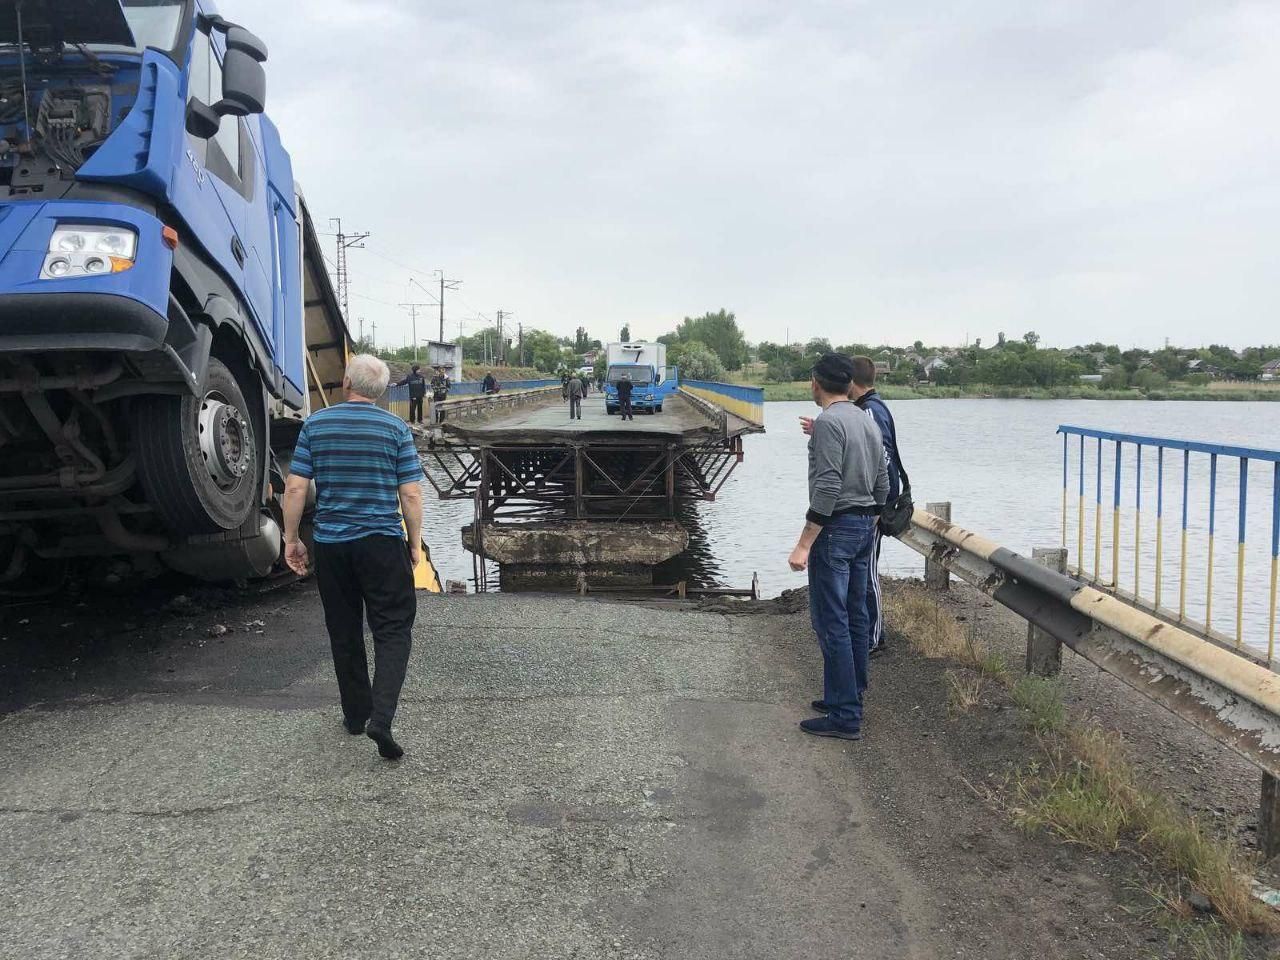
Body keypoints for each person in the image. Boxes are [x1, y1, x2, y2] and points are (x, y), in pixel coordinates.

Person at [281, 354, 424, 761]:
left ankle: (356, 714)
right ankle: (382, 717)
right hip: (381, 543)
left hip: (332, 545)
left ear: (346, 382)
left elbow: (295, 488)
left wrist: (292, 539)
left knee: (344, 630)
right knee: (393, 630)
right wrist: (414, 543)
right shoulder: (396, 428)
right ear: (381, 392)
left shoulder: (316, 424)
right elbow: (410, 494)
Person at [787, 354, 888, 741]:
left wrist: (803, 544)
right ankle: (848, 694)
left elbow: (827, 486)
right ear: (848, 384)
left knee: (832, 620)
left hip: (837, 527)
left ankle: (845, 715)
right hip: (865, 525)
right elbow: (881, 477)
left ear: (816, 383)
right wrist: (874, 515)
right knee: (857, 614)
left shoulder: (829, 422)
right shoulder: (866, 418)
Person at [801, 356, 901, 657]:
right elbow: (877, 468)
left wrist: (804, 543)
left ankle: (847, 695)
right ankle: (853, 690)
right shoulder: (863, 415)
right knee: (853, 605)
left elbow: (875, 465)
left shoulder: (868, 412)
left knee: (836, 615)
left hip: (849, 519)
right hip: (865, 514)